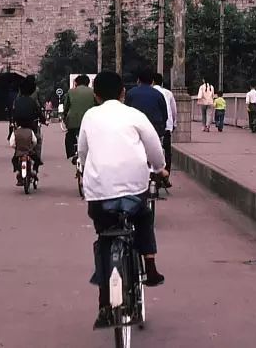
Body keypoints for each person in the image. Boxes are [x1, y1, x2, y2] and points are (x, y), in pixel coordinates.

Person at [77, 71, 168, 329]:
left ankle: (104, 302)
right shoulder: (134, 115)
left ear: (96, 95)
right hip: (133, 189)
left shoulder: (90, 116)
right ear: (123, 93)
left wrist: (85, 168)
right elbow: (154, 148)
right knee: (144, 216)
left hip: (100, 193)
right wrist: (160, 168)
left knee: (104, 236)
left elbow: (82, 150)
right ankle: (149, 266)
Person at [11, 75, 47, 176]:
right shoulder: (33, 100)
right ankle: (36, 164)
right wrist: (44, 121)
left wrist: (12, 122)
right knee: (38, 140)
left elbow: (13, 113)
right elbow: (39, 111)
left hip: (19, 127)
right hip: (32, 126)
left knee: (17, 143)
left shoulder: (17, 101)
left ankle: (17, 166)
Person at [125, 69, 168, 138]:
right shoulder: (158, 94)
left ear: (138, 80)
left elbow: (126, 112)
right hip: (155, 129)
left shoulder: (130, 93)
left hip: (135, 129)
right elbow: (165, 115)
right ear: (152, 81)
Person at [63, 74, 96, 162]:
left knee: (69, 136)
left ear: (76, 83)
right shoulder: (93, 92)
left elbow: (66, 107)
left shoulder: (70, 92)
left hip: (73, 121)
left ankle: (71, 154)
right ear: (88, 83)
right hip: (89, 121)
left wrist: (64, 118)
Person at [152, 72, 177, 173]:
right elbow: (173, 110)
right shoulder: (168, 93)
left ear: (152, 81)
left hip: (152, 127)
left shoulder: (150, 92)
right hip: (166, 126)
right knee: (167, 150)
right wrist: (174, 124)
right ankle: (166, 175)